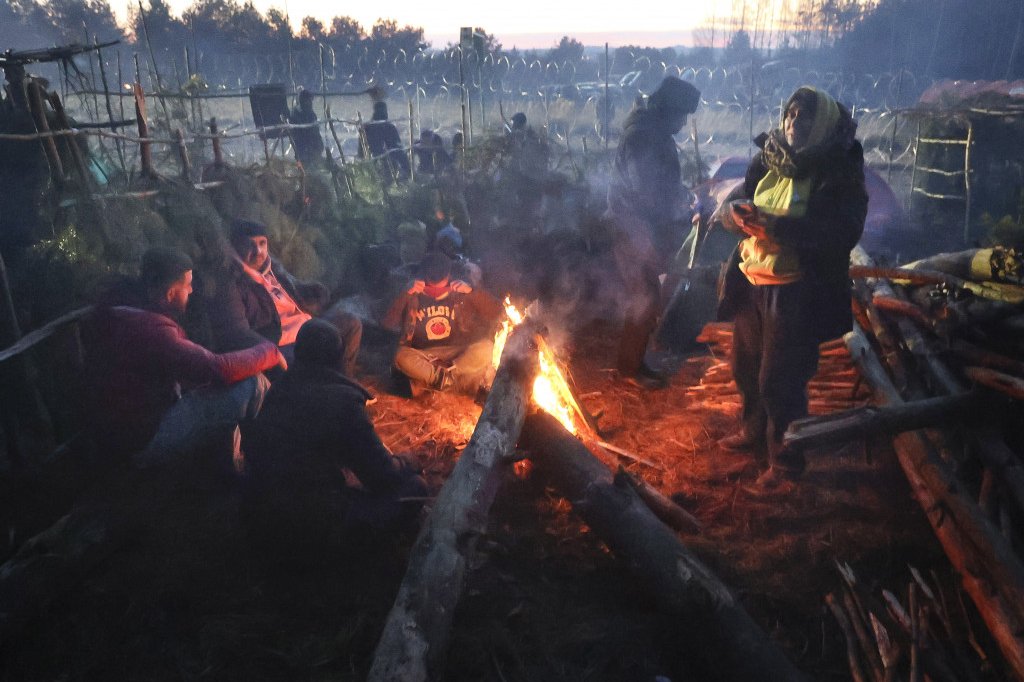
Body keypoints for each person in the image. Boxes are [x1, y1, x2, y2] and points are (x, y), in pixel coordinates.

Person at [716, 86, 867, 488]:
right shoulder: (770, 157)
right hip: (752, 278)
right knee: (746, 366)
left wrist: (777, 228)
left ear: (823, 125)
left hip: (797, 289)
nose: (793, 122)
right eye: (790, 113)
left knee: (780, 380)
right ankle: (753, 431)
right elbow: (738, 201)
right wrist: (735, 215)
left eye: (805, 116)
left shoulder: (838, 170)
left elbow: (843, 231)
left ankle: (786, 463)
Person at [83, 247, 284, 463]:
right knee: (253, 384)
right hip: (142, 437)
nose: (191, 290)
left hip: (114, 429)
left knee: (223, 389)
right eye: (187, 285)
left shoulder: (121, 310)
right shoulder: (152, 330)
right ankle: (268, 456)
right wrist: (270, 351)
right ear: (170, 294)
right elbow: (218, 369)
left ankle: (233, 461)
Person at [243, 318, 427, 552]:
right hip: (310, 529)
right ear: (338, 358)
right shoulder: (344, 401)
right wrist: (406, 461)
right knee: (416, 488)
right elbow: (382, 477)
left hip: (260, 515)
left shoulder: (278, 388)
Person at [606, 75, 701, 387]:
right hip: (632, 227)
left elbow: (662, 184)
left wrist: (682, 195)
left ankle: (634, 363)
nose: (683, 123)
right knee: (644, 296)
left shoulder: (653, 131)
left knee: (647, 295)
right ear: (668, 110)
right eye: (682, 115)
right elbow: (647, 190)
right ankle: (628, 369)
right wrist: (679, 205)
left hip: (641, 226)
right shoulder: (643, 136)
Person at [203, 219, 363, 378]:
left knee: (351, 323)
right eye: (249, 245)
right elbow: (237, 331)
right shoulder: (230, 280)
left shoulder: (272, 268)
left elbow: (292, 287)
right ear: (236, 246)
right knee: (316, 354)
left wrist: (307, 288)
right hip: (283, 343)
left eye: (262, 243)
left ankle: (342, 381)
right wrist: (270, 351)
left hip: (307, 326)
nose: (258, 251)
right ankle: (330, 385)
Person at [382, 252, 503, 396]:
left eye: (441, 281)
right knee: (400, 356)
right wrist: (404, 294)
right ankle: (450, 381)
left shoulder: (460, 290)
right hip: (425, 356)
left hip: (456, 355)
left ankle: (439, 381)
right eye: (431, 282)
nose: (436, 288)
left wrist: (472, 292)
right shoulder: (412, 291)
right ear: (423, 275)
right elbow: (387, 324)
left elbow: (498, 312)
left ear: (449, 275)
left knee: (487, 347)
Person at [359, 100, 410, 183]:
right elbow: (397, 149)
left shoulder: (367, 127)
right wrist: (407, 167)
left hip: (376, 162)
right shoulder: (387, 127)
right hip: (382, 162)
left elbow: (397, 148)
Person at [288, 88, 325, 168]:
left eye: (311, 100)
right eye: (308, 100)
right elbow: (299, 132)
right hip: (303, 146)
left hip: (313, 144)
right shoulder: (296, 113)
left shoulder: (310, 113)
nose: (310, 103)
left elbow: (316, 131)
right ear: (303, 100)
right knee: (306, 164)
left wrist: (319, 145)